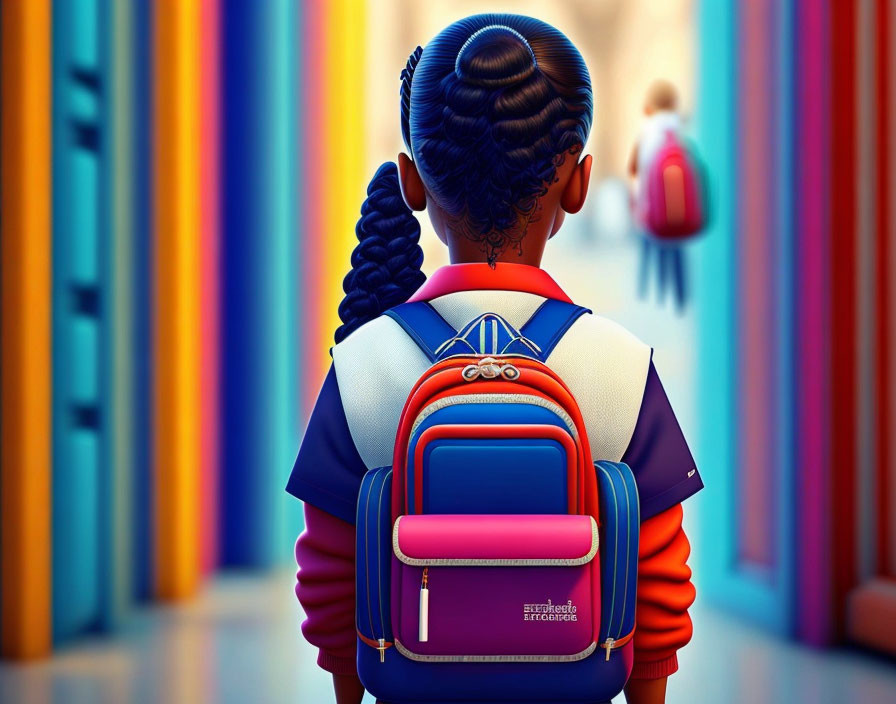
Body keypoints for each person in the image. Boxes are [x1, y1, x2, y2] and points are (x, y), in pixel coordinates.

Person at [287, 15, 702, 704]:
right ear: (578, 183)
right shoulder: (623, 367)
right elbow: (657, 585)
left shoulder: (360, 365)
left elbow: (331, 583)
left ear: (411, 184)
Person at [628, 80, 688, 310]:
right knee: (676, 250)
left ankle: (650, 296)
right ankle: (680, 298)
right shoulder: (680, 129)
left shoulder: (647, 130)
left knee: (651, 247)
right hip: (677, 204)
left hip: (650, 205)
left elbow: (634, 168)